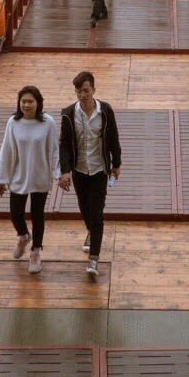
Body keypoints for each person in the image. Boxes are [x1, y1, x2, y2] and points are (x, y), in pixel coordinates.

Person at [57, 70, 122, 279]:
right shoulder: (68, 114)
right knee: (84, 207)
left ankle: (94, 257)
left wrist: (116, 163)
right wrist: (65, 171)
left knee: (97, 212)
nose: (82, 95)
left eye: (86, 91)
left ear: (94, 89)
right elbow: (64, 145)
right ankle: (91, 232)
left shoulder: (105, 110)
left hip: (99, 169)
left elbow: (113, 137)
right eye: (78, 91)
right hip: (79, 170)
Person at [0, 85, 59, 275]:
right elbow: (7, 151)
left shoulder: (48, 123)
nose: (26, 105)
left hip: (40, 175)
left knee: (38, 215)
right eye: (23, 101)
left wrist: (59, 174)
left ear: (38, 103)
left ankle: (36, 251)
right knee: (15, 214)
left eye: (30, 101)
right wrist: (2, 179)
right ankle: (23, 236)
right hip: (19, 176)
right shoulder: (13, 122)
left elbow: (54, 151)